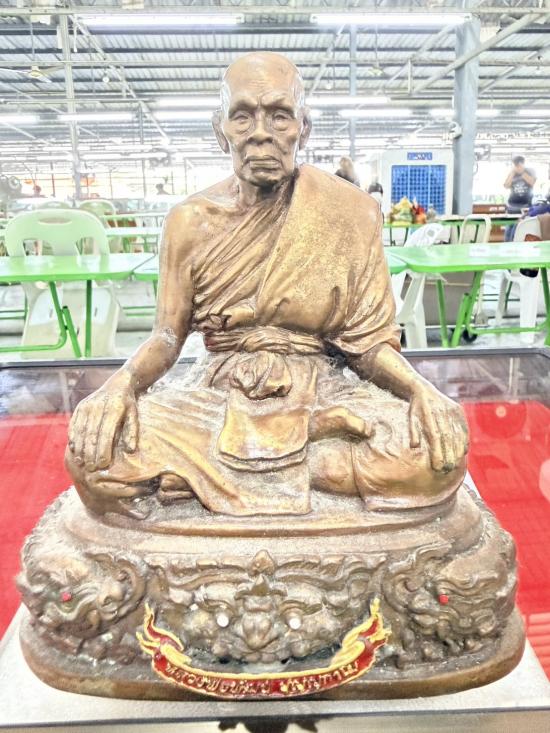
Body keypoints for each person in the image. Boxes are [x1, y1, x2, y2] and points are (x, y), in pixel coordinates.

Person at [66, 52, 467, 519]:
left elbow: (369, 345)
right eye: (243, 116)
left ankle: (211, 473)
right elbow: (167, 338)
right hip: (222, 391)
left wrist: (422, 391)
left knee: (434, 456)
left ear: (303, 128)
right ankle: (302, 447)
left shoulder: (350, 212)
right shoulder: (189, 221)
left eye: (279, 115)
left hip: (320, 385)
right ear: (220, 130)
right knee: (94, 455)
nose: (261, 132)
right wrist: (119, 386)